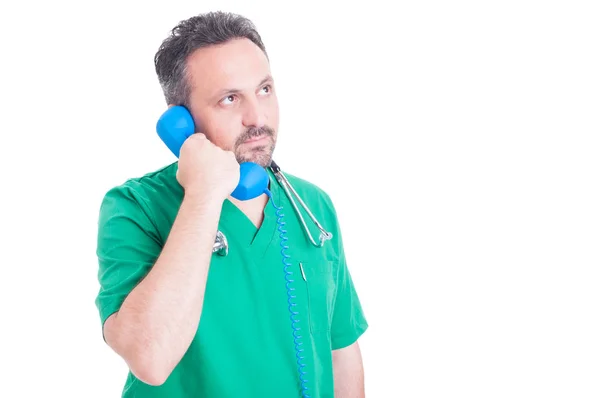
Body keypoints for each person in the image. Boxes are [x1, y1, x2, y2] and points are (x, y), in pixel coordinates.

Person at [95, 11, 368, 398]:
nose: (257, 117)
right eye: (229, 99)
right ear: (182, 121)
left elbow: (341, 353)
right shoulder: (134, 208)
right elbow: (150, 358)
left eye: (265, 90)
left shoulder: (313, 207)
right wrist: (204, 194)